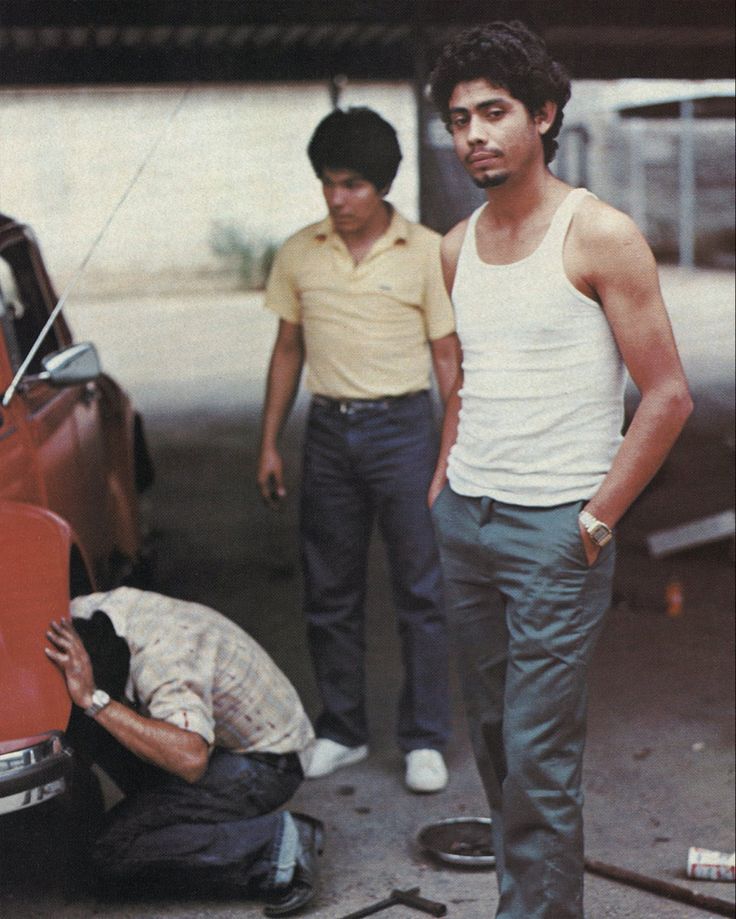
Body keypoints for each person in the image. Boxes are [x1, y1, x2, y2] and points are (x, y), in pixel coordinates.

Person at [427, 21, 693, 919]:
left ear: (543, 114)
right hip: (467, 517)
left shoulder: (599, 233)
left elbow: (667, 396)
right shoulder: (455, 245)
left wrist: (596, 516)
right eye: (460, 118)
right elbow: (465, 377)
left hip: (557, 530)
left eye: (494, 111)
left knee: (538, 753)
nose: (474, 134)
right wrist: (443, 484)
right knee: (499, 742)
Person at [257, 107, 460, 793]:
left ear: (382, 186)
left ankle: (425, 738)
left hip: (404, 431)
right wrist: (269, 445)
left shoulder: (428, 251)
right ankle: (343, 728)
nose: (337, 199)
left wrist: (448, 455)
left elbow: (448, 363)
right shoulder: (299, 251)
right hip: (327, 433)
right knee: (329, 590)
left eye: (352, 185)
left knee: (421, 589)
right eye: (327, 183)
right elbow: (286, 350)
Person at [45, 586, 323, 917]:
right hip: (223, 741)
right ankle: (169, 818)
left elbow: (190, 760)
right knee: (99, 725)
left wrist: (94, 700)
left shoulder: (164, 661)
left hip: (271, 762)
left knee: (111, 850)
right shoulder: (81, 616)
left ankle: (279, 847)